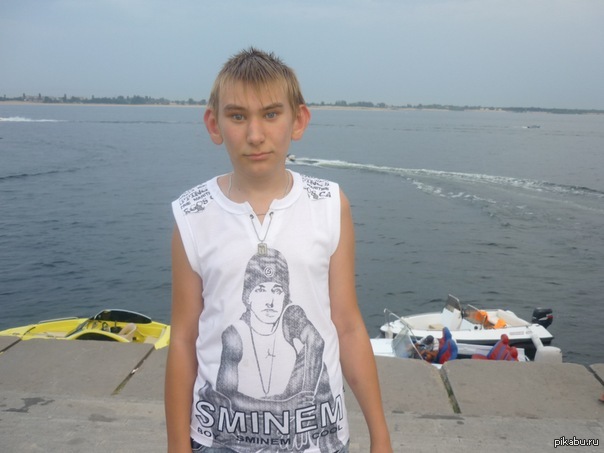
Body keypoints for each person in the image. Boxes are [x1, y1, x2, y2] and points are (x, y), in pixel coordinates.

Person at [165, 48, 392, 453]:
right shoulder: (192, 215)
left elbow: (348, 325)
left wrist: (381, 436)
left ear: (298, 120)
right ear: (214, 124)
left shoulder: (329, 205)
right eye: (238, 117)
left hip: (316, 438)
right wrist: (176, 445)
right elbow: (183, 338)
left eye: (271, 114)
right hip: (218, 440)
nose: (255, 135)